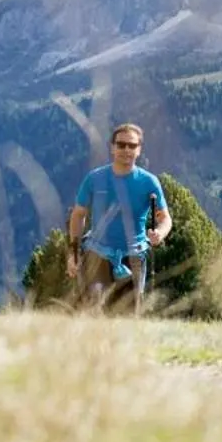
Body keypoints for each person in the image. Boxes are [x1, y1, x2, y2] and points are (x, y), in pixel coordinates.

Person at [67, 122, 172, 312]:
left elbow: (165, 218)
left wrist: (160, 233)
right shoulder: (94, 179)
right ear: (112, 147)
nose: (126, 149)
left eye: (132, 145)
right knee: (93, 309)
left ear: (139, 150)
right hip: (96, 253)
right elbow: (78, 215)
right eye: (121, 144)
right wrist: (73, 253)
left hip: (133, 256)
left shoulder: (149, 182)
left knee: (127, 317)